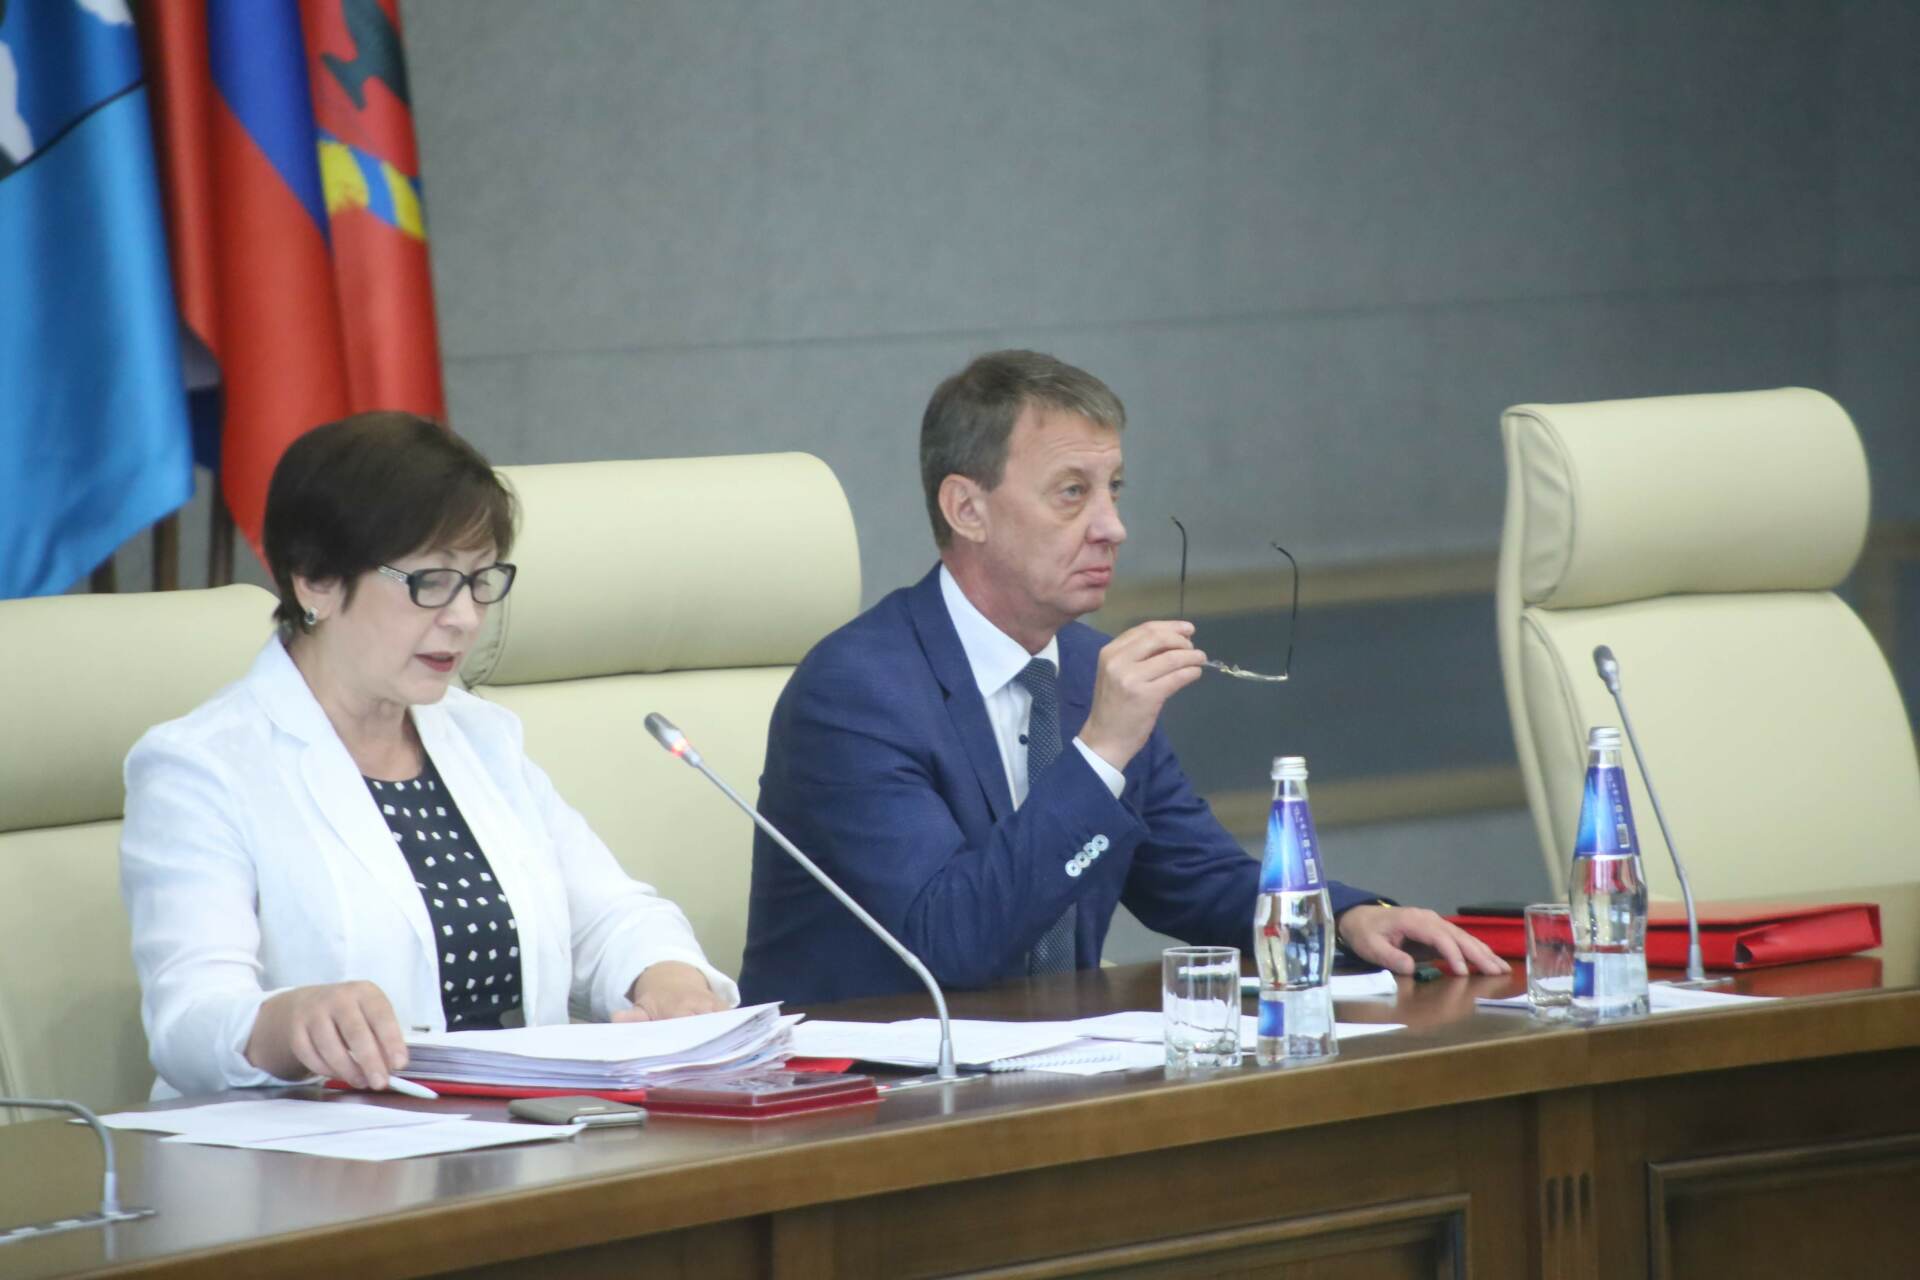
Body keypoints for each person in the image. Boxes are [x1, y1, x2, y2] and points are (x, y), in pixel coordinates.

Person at [739, 350, 1506, 1004]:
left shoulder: (1082, 668)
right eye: (1072, 492)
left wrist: (1346, 916)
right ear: (968, 509)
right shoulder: (855, 693)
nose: (1113, 527)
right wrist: (1100, 750)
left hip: (1049, 1072)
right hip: (869, 1094)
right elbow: (948, 945)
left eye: (1114, 490)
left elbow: (1192, 877)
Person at [120, 412, 735, 1099]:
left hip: (520, 1129)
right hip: (313, 1146)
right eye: (430, 582)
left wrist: (670, 981)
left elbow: (610, 915)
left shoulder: (480, 737)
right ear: (315, 580)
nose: (465, 617)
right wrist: (289, 1022)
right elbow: (188, 1020)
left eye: (480, 580)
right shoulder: (200, 766)